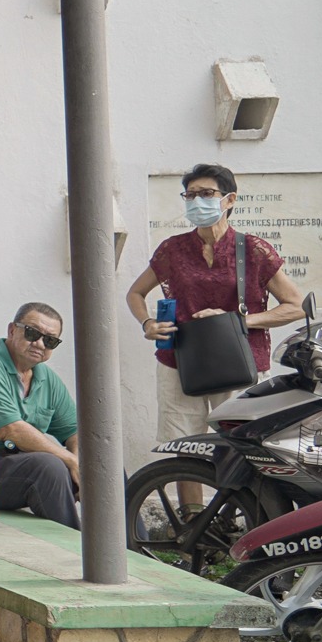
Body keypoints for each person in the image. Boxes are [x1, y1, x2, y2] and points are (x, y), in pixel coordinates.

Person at [126, 163, 303, 448]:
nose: (197, 201)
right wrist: (148, 323)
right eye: (190, 195)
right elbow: (135, 293)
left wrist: (236, 322)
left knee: (243, 448)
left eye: (206, 193)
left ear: (229, 199)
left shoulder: (253, 250)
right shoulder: (172, 249)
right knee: (184, 447)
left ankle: (235, 496)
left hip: (240, 360)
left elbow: (296, 306)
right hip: (180, 359)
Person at [0, 305, 80, 529]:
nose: (40, 344)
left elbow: (74, 431)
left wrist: (81, 463)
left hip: (18, 469)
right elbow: (10, 429)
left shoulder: (47, 378)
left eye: (50, 341)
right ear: (12, 330)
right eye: (32, 333)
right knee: (49, 467)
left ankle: (133, 547)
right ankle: (80, 554)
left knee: (106, 468)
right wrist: (71, 461)